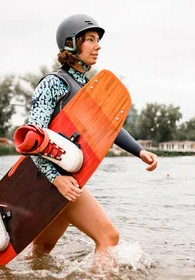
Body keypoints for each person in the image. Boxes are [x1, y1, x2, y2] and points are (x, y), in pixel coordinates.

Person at [26, 14, 158, 263]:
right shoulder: (53, 84)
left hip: (63, 182)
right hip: (55, 182)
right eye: (90, 39)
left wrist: (139, 151)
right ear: (71, 43)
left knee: (42, 251)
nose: (98, 46)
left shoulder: (87, 88)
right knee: (108, 238)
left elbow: (108, 126)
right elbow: (32, 139)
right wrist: (56, 179)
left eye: (97, 40)